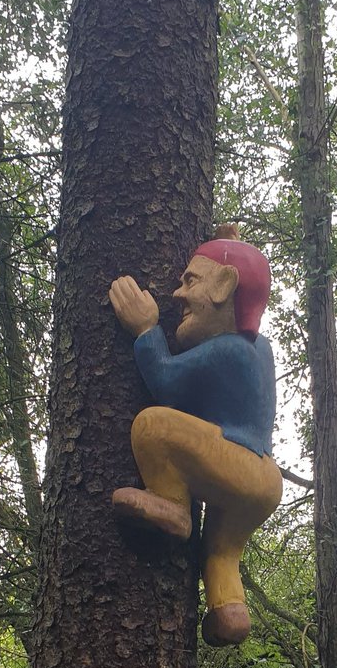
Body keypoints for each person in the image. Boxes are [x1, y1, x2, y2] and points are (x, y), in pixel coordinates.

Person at [108, 226, 281, 646]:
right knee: (222, 553)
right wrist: (230, 242)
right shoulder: (261, 350)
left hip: (236, 464)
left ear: (224, 287)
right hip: (264, 480)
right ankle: (229, 612)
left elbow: (166, 380)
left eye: (191, 281)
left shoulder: (229, 348)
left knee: (154, 424)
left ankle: (172, 504)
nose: (177, 295)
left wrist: (147, 329)